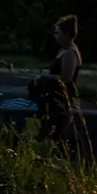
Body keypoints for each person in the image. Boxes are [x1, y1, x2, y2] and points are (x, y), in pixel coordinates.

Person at [30, 14, 82, 154]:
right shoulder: (63, 50)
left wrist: (45, 76)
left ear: (66, 34)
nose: (55, 36)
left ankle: (61, 162)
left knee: (56, 133)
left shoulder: (70, 53)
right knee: (47, 129)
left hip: (62, 99)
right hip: (53, 97)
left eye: (58, 33)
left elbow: (66, 77)